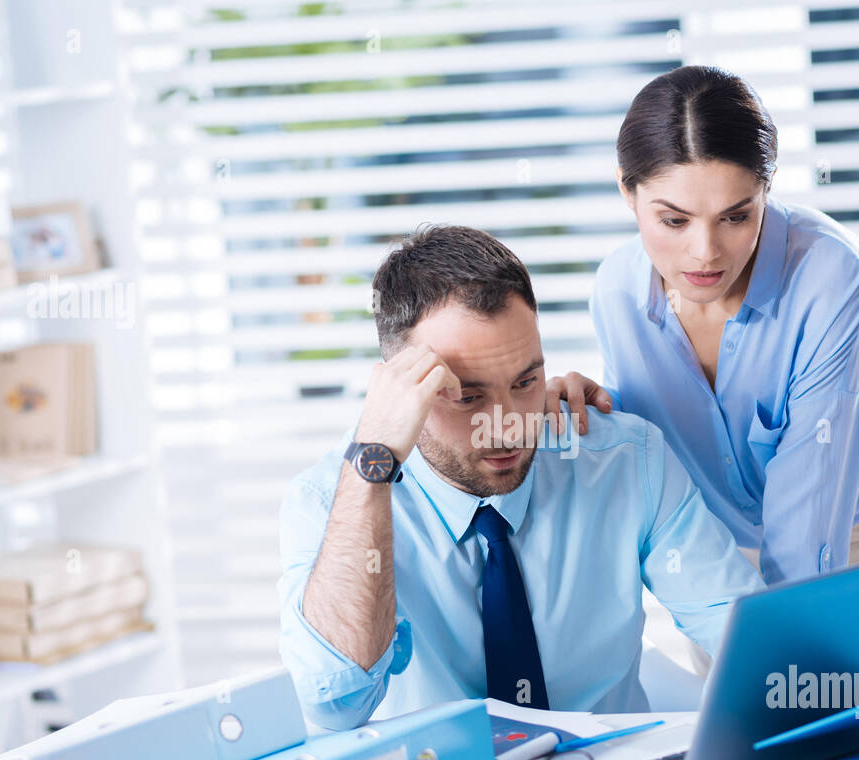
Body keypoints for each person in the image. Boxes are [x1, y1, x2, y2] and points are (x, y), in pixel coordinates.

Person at [546, 65, 859, 677]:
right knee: (748, 757)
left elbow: (808, 516)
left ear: (767, 191)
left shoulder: (832, 278)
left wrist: (778, 662)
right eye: (674, 220)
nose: (705, 251)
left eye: (736, 216)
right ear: (627, 191)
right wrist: (593, 412)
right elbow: (666, 439)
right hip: (726, 565)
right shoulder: (616, 290)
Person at [277, 225, 764, 731]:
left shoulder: (623, 461)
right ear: (398, 388)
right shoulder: (330, 502)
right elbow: (336, 706)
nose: (508, 423)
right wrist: (369, 468)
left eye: (526, 381)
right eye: (468, 396)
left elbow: (743, 632)